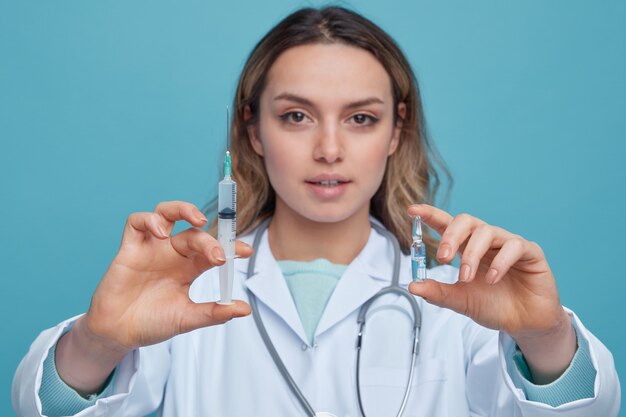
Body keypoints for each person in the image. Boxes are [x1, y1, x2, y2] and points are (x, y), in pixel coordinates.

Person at [12, 6, 620, 417]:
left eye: (361, 118)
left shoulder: (457, 298)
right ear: (252, 130)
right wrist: (96, 343)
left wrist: (544, 339)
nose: (329, 149)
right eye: (295, 116)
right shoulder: (187, 292)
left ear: (394, 131)